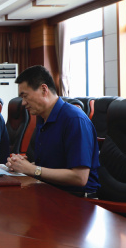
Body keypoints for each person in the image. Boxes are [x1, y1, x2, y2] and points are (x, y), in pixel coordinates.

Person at [6, 65, 100, 197]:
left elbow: (80, 177)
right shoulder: (42, 118)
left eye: (25, 96)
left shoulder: (74, 119)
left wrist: (32, 169)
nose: (23, 103)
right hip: (50, 189)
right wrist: (22, 165)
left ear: (44, 89)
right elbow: (52, 166)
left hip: (77, 198)